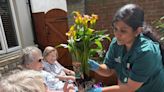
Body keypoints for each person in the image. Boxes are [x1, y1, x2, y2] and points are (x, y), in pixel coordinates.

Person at [88, 4, 164, 92]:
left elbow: (129, 87)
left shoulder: (146, 52)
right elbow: (109, 69)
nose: (117, 34)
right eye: (115, 29)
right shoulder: (116, 43)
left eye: (123, 31)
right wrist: (93, 65)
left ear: (137, 31)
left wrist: (97, 90)